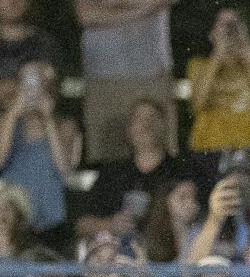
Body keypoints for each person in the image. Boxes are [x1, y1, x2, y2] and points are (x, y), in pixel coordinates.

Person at [73, 0, 182, 162]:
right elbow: (87, 13)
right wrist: (144, 3)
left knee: (161, 157)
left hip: (152, 76)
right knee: (108, 160)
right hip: (103, 79)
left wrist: (113, 1)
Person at [0, 60, 78, 241]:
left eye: (38, 81)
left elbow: (65, 170)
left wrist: (48, 118)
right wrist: (13, 112)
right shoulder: (1, 123)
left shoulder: (65, 126)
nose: (32, 88)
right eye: (27, 81)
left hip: (52, 223)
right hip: (13, 222)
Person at [187, 6, 250, 180]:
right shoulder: (198, 65)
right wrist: (217, 58)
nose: (230, 31)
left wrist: (249, 60)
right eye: (224, 26)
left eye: (234, 25)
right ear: (212, 33)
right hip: (209, 150)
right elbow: (198, 102)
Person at [78, 97, 184, 243]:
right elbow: (82, 225)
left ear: (165, 126)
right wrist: (110, 224)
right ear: (129, 129)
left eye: (153, 117)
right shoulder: (112, 172)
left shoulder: (182, 170)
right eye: (138, 118)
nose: (146, 124)